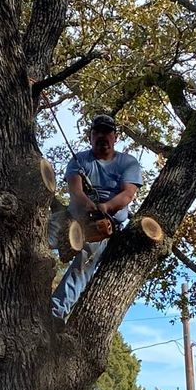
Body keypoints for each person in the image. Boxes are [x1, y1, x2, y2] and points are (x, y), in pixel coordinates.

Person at [51, 114, 143, 320]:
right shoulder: (79, 160)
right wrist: (87, 204)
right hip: (72, 217)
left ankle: (56, 312)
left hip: (102, 227)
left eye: (107, 132)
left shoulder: (128, 163)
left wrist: (106, 207)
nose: (102, 136)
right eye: (97, 132)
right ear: (90, 137)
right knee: (34, 233)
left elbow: (127, 194)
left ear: (115, 137)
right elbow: (75, 189)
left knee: (83, 265)